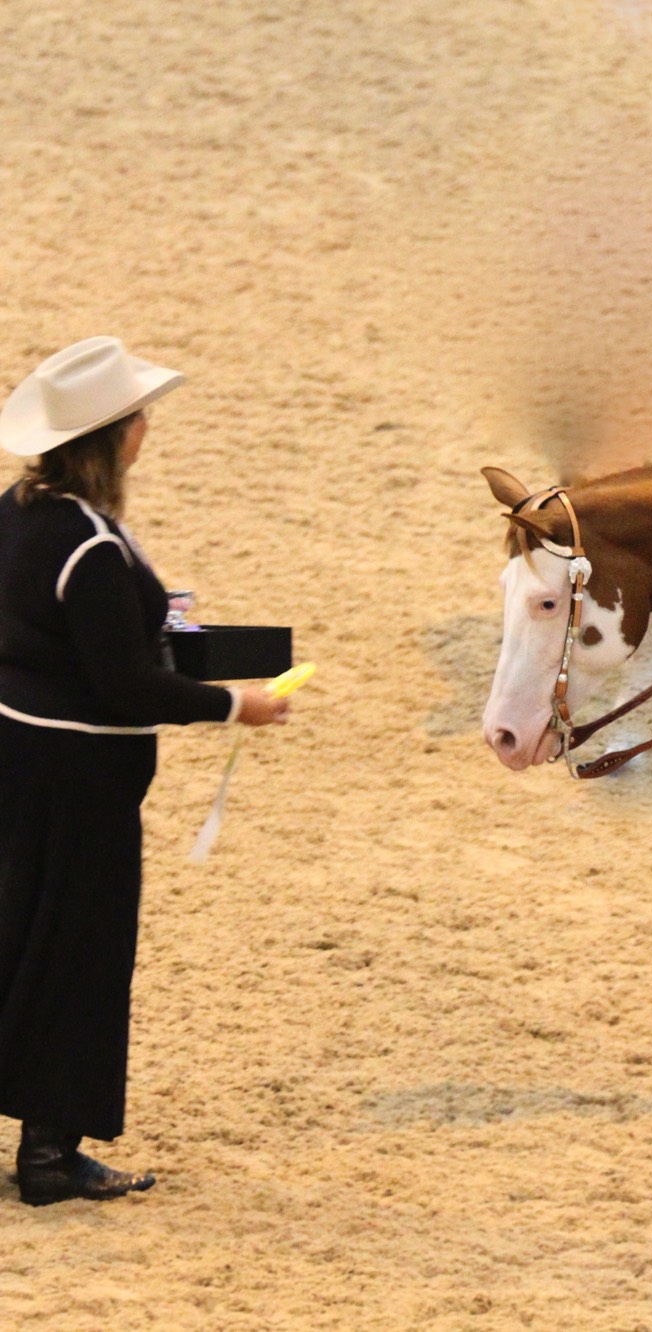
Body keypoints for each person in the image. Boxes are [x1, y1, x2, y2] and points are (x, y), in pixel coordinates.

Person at [0, 337, 289, 1205]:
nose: (146, 428)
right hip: (78, 780)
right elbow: (127, 688)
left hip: (16, 754)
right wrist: (240, 705)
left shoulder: (17, 507)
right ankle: (50, 1156)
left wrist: (143, 620)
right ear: (114, 435)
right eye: (138, 417)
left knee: (17, 934)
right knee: (80, 955)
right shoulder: (91, 546)